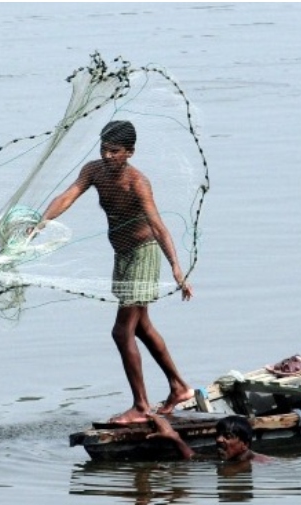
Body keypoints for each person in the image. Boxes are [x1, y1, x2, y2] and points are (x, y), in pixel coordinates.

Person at [36, 120, 194, 425]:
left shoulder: (138, 183)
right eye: (104, 149)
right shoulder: (93, 171)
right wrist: (42, 221)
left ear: (130, 152)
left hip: (143, 255)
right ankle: (179, 387)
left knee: (121, 331)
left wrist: (176, 267)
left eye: (115, 151)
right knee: (141, 327)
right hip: (122, 255)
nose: (108, 156)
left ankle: (141, 406)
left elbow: (159, 227)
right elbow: (68, 196)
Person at [146, 413, 272, 464]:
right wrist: (173, 436)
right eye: (218, 435)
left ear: (244, 444)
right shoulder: (229, 458)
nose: (219, 440)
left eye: (227, 437)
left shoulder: (260, 463)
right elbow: (193, 457)